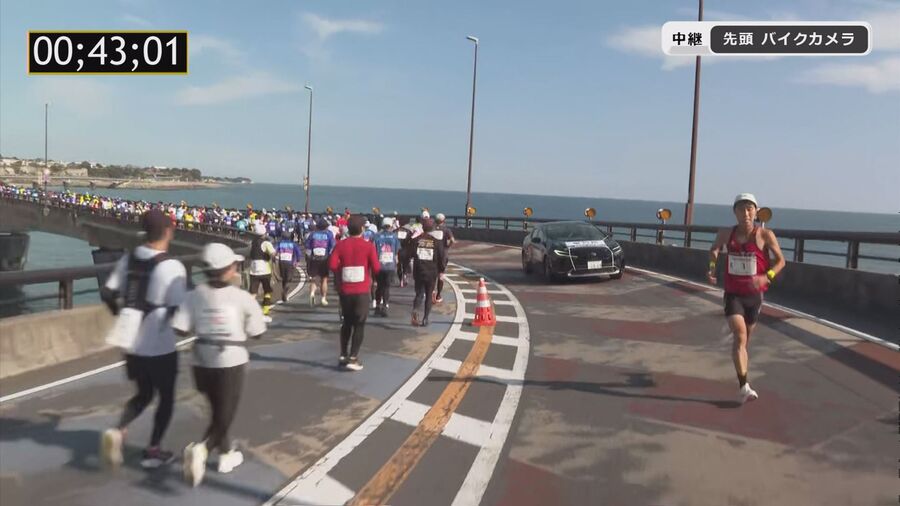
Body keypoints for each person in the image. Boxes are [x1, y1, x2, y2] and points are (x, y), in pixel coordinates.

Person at [172, 243, 266, 486]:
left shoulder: (193, 295)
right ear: (229, 269)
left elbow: (180, 328)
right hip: (231, 361)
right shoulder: (242, 297)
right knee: (225, 414)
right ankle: (202, 449)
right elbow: (258, 332)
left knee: (217, 409)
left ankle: (225, 455)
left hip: (201, 361)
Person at [100, 209, 187, 469]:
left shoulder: (129, 258)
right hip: (160, 346)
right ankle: (153, 450)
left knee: (144, 394)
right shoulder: (172, 266)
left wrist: (120, 312)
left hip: (131, 343)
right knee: (166, 398)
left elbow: (107, 292)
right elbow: (179, 308)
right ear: (169, 231)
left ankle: (118, 430)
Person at [708, 193, 785, 404]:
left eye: (750, 209)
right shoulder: (726, 233)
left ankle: (742, 373)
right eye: (741, 209)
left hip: (754, 296)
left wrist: (767, 276)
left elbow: (781, 261)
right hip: (733, 294)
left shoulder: (765, 235)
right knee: (740, 335)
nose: (746, 213)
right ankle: (744, 386)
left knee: (744, 341)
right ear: (735, 212)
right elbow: (714, 249)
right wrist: (712, 267)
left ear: (756, 211)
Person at [328, 215, 380, 371]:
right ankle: (353, 357)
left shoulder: (340, 245)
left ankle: (343, 354)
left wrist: (343, 270)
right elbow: (376, 268)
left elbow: (332, 264)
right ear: (363, 229)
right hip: (362, 290)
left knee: (347, 323)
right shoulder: (368, 246)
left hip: (345, 290)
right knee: (359, 323)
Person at [411, 218, 445, 327]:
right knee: (429, 295)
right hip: (431, 272)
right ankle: (425, 318)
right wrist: (441, 270)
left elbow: (411, 253)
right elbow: (442, 257)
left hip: (418, 270)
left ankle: (415, 309)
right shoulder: (436, 242)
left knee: (419, 294)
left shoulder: (416, 240)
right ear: (432, 228)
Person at [373, 217, 400, 317]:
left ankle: (377, 306)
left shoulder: (376, 236)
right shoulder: (394, 236)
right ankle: (385, 305)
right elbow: (396, 252)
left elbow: (373, 251)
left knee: (379, 286)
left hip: (379, 265)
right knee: (386, 287)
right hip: (390, 266)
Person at [305, 219, 336, 306]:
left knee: (314, 278)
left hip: (314, 259)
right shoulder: (329, 234)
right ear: (326, 227)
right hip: (324, 259)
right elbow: (333, 246)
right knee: (324, 279)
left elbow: (307, 245)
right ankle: (323, 298)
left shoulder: (312, 234)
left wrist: (309, 257)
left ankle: (312, 293)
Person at [248, 223, 276, 320]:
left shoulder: (251, 242)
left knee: (253, 292)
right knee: (267, 290)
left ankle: (248, 311)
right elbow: (273, 253)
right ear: (264, 233)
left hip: (253, 269)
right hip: (265, 269)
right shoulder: (266, 243)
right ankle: (265, 310)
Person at [275, 229, 303, 303]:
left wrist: (275, 257)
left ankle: (284, 289)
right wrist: (297, 261)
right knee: (289, 278)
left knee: (284, 277)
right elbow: (298, 253)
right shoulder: (293, 244)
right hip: (290, 263)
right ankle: (285, 291)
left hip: (281, 262)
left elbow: (275, 251)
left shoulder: (280, 244)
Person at [433, 213, 456, 304]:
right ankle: (438, 295)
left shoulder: (432, 229)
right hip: (443, 254)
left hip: (433, 254)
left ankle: (431, 292)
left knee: (432, 274)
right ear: (444, 220)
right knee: (441, 275)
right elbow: (452, 240)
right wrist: (447, 246)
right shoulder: (446, 230)